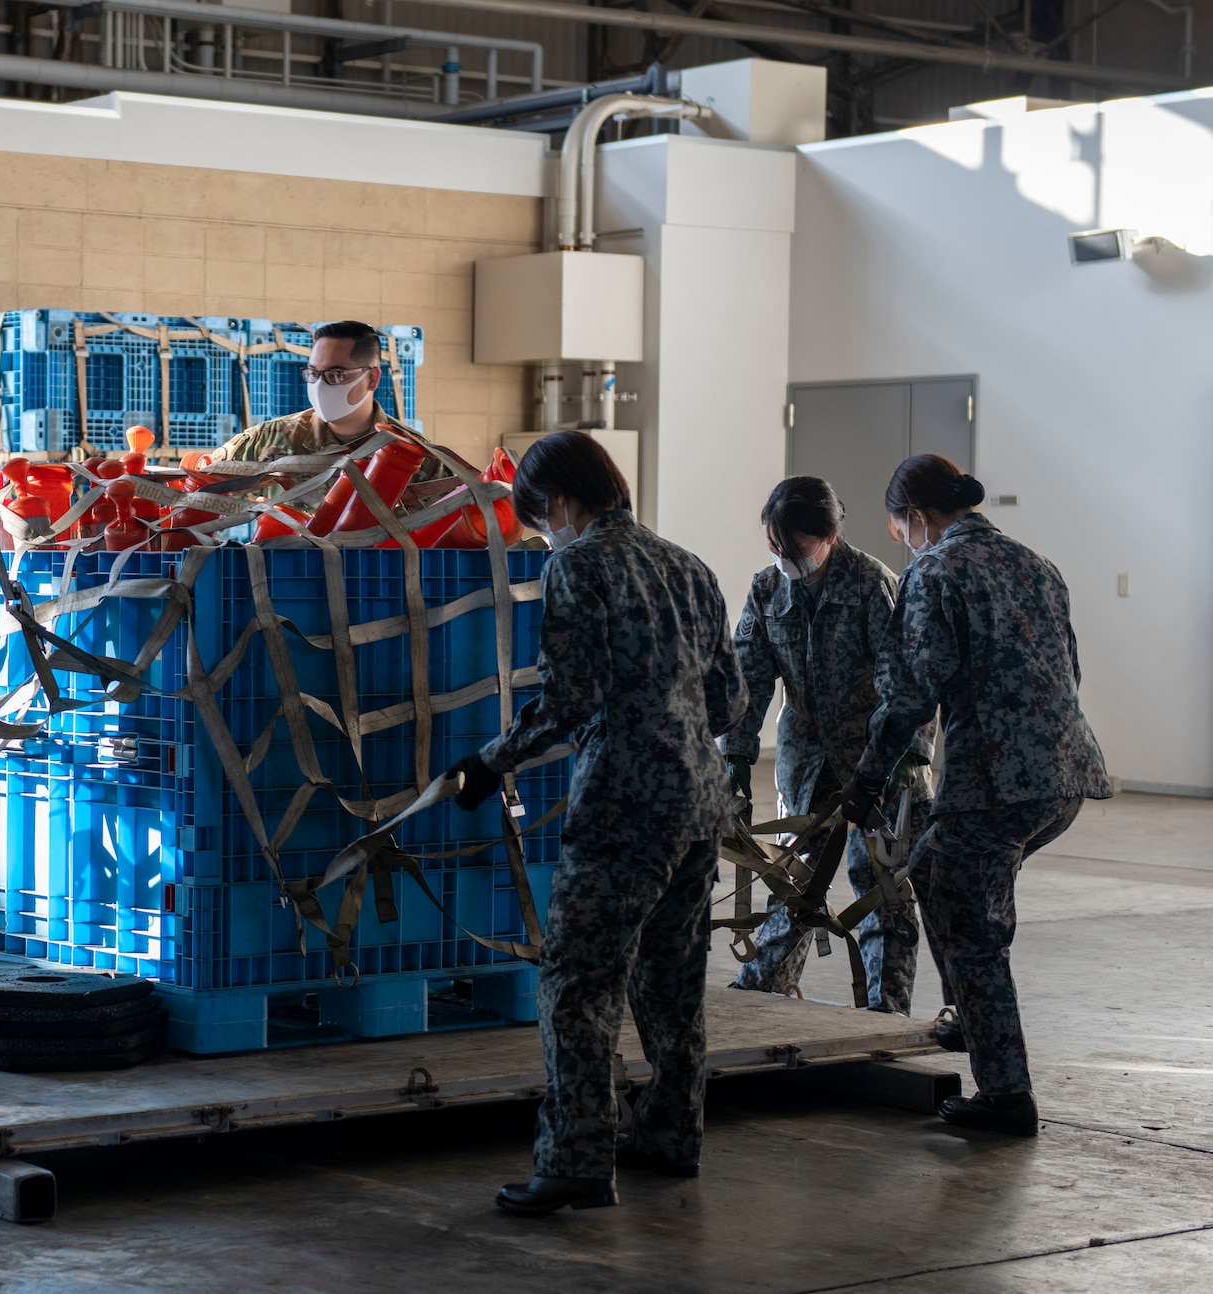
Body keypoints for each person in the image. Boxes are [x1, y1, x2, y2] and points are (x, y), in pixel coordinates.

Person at [445, 431, 746, 1215]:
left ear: (565, 503)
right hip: (700, 802)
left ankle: (578, 1159)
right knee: (672, 983)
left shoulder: (577, 565)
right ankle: (673, 1135)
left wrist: (490, 762)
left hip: (622, 806)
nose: (547, 534)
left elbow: (569, 701)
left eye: (542, 519)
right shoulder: (690, 565)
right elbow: (730, 699)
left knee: (579, 985)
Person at [844, 454, 1111, 1136]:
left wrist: (868, 776)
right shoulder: (1036, 562)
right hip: (1065, 772)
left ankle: (1006, 1095)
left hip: (996, 780)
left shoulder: (935, 571)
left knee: (972, 923)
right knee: (935, 868)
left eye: (900, 528)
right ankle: (971, 1013)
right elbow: (1071, 665)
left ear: (921, 518)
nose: (902, 540)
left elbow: (911, 693)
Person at [720, 477, 933, 1013]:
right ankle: (760, 993)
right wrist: (737, 756)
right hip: (807, 766)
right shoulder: (767, 591)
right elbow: (749, 678)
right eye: (773, 544)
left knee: (881, 888)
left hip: (878, 763)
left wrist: (909, 755)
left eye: (792, 546)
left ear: (826, 536)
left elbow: (907, 681)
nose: (782, 556)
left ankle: (886, 1013)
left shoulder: (873, 587)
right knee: (791, 882)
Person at [215, 318, 437, 476]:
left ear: (372, 378)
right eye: (313, 373)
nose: (320, 385)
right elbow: (199, 489)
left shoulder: (415, 455)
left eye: (335, 375)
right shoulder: (267, 440)